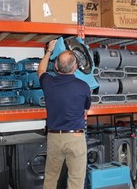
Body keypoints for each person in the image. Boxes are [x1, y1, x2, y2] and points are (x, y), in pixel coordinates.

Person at [37, 39, 91, 189]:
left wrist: (49, 50)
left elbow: (41, 70)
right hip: (76, 138)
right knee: (76, 181)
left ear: (55, 66)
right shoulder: (84, 87)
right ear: (75, 67)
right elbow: (85, 111)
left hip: (54, 137)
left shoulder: (48, 83)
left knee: (50, 178)